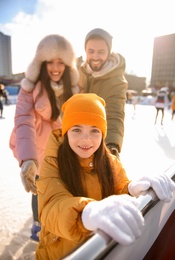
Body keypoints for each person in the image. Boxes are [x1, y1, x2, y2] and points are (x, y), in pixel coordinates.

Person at [36, 93, 175, 260]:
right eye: (77, 129)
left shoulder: (109, 160)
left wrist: (132, 189)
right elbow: (51, 205)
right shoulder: (53, 162)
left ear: (103, 134)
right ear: (66, 132)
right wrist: (86, 212)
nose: (86, 138)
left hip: (102, 252)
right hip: (60, 252)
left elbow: (120, 187)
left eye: (94, 130)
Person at [9, 34, 80, 242]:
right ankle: (38, 222)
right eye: (50, 61)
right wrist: (29, 157)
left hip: (65, 153)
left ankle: (59, 223)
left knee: (62, 190)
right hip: (39, 152)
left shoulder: (75, 91)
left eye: (61, 62)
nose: (55, 67)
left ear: (68, 65)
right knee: (38, 191)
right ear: (41, 63)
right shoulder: (29, 89)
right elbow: (23, 120)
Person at [78, 28, 128, 157]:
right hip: (76, 144)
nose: (95, 57)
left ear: (109, 52)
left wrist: (112, 146)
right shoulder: (80, 73)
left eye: (101, 52)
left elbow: (115, 114)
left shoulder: (116, 81)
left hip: (99, 146)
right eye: (91, 51)